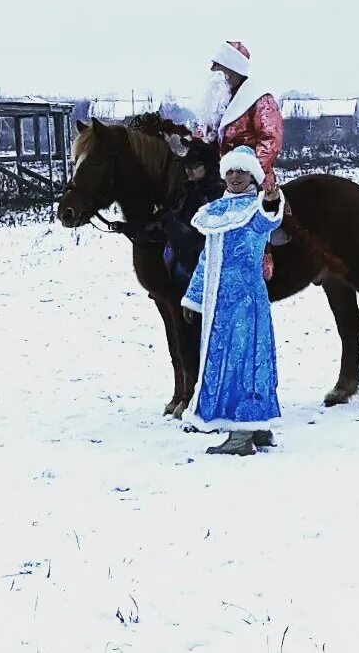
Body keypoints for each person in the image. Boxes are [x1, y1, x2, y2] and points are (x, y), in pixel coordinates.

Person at [181, 146, 285, 456]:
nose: (235, 176)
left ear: (253, 175)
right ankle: (259, 426)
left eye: (242, 171)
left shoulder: (255, 210)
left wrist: (270, 200)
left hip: (246, 304)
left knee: (246, 362)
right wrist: (194, 297)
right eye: (231, 171)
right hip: (218, 307)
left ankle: (242, 435)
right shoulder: (215, 210)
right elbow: (206, 258)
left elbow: (269, 219)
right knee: (227, 363)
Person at [201, 41, 286, 278]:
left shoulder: (260, 100)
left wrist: (249, 172)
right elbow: (205, 136)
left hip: (250, 178)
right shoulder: (218, 101)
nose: (212, 72)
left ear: (232, 69)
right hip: (221, 175)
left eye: (217, 66)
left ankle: (260, 263)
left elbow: (271, 138)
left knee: (253, 218)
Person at [109, 139, 226, 294]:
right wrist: (129, 227)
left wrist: (135, 228)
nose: (190, 171)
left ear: (209, 167)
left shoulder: (214, 195)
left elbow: (170, 225)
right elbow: (166, 219)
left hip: (203, 274)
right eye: (187, 166)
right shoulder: (189, 191)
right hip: (185, 270)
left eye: (196, 166)